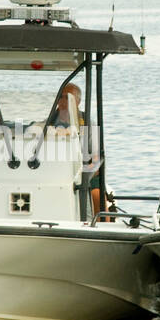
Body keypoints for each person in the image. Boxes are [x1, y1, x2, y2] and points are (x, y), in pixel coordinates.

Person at [46, 83, 106, 220]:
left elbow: (96, 159)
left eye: (68, 98)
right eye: (60, 98)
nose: (63, 102)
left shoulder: (88, 123)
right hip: (53, 172)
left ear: (78, 102)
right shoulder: (48, 123)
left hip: (84, 174)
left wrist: (81, 177)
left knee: (93, 195)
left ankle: (89, 221)